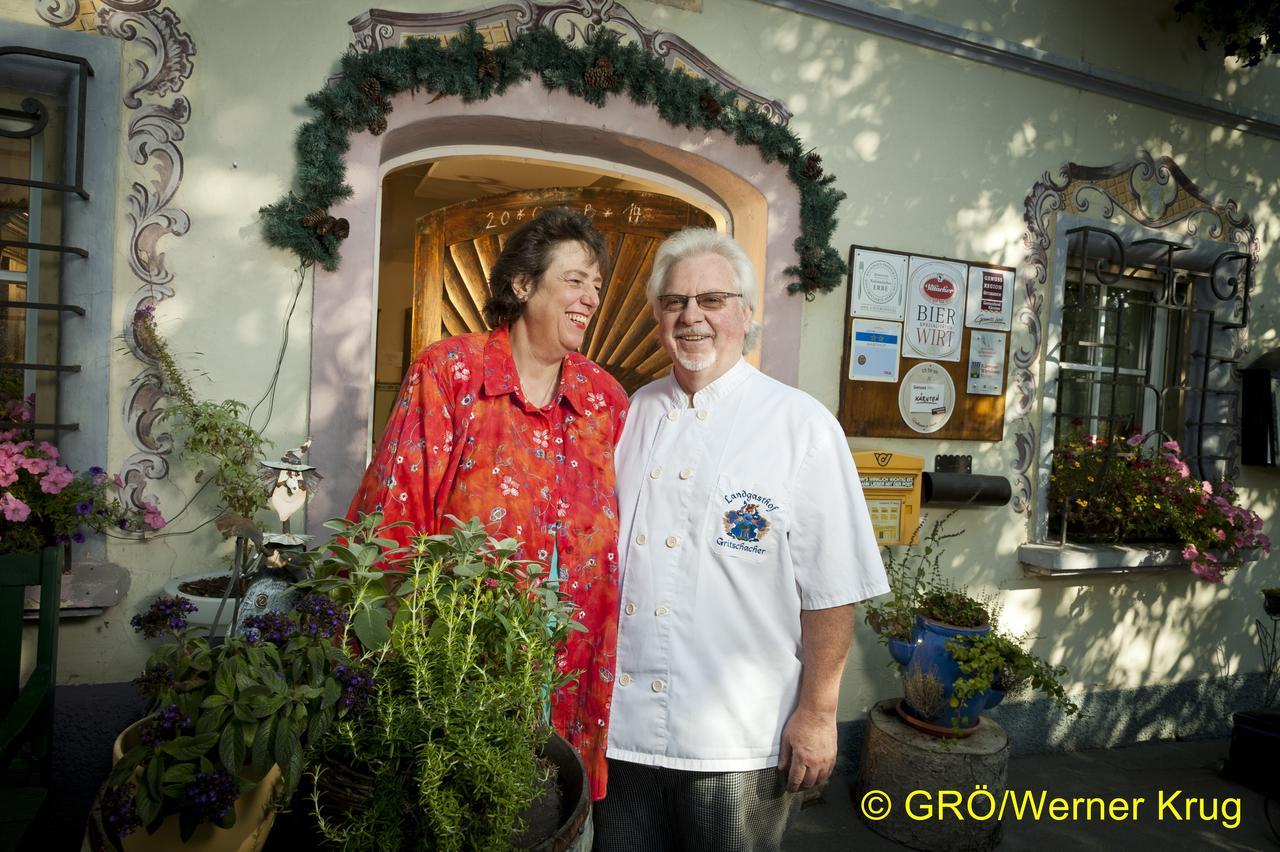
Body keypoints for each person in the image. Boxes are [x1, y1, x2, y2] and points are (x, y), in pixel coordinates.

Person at [594, 229, 889, 850]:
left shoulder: (800, 426)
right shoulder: (629, 414)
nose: (691, 316)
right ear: (656, 317)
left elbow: (832, 589)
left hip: (739, 739)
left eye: (712, 299)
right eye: (675, 302)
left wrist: (817, 714)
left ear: (746, 315)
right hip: (623, 733)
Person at [346, 208, 629, 801]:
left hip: (573, 671)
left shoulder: (604, 399)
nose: (591, 297)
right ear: (522, 285)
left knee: (558, 815)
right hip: (464, 664)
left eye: (597, 285)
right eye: (575, 279)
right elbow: (393, 518)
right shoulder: (450, 373)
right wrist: (387, 665)